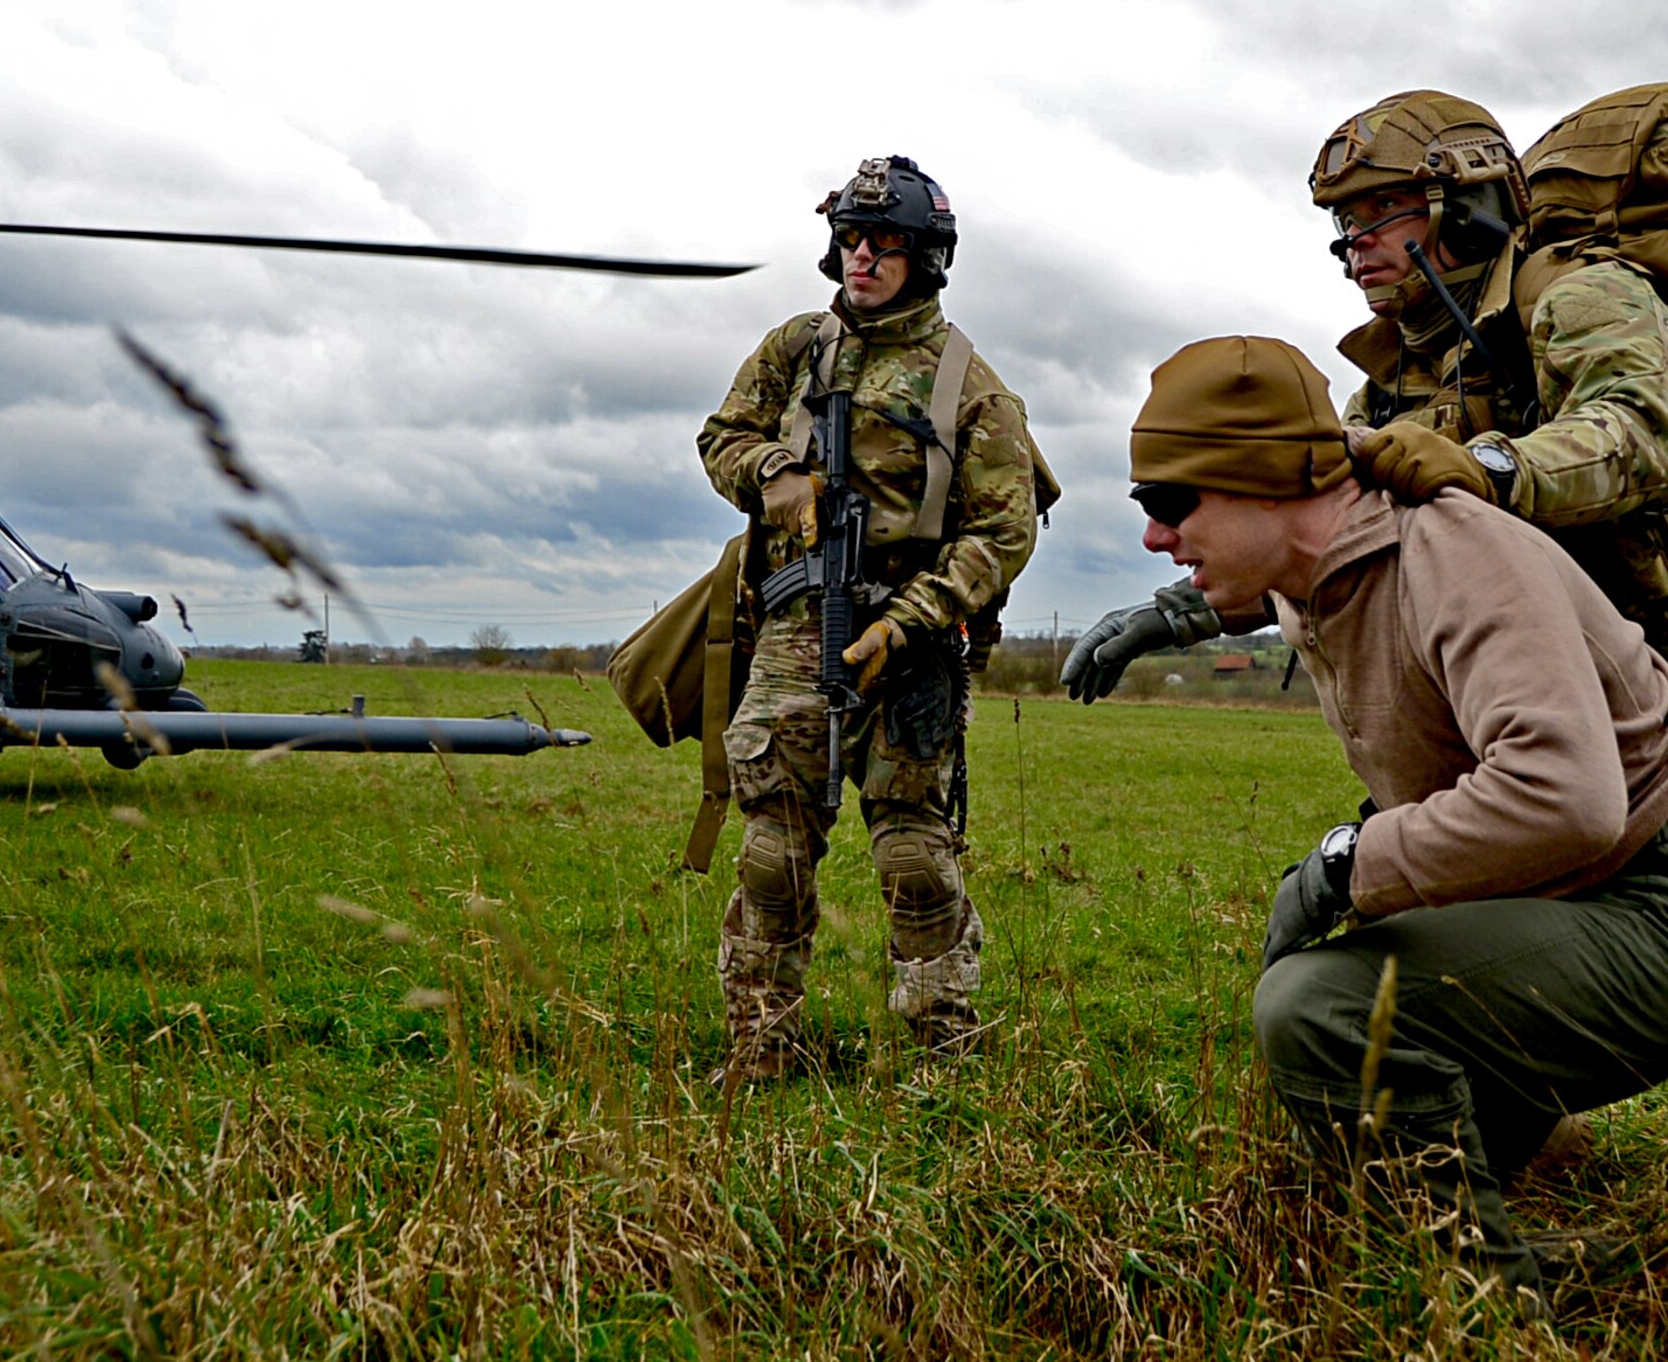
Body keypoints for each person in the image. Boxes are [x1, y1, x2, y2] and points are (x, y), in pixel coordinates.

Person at [1130, 333, 1668, 1304]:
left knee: (1320, 1005)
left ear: (1259, 479)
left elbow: (1565, 794)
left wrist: (1344, 861)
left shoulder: (1454, 551)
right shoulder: (1312, 578)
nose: (1153, 538)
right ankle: (1510, 1176)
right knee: (1349, 1173)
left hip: (1647, 887)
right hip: (1580, 887)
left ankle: (1480, 1303)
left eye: (1168, 504)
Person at [1063, 89, 1668, 698]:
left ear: (1468, 207)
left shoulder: (1580, 294)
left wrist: (1487, 467)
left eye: (1383, 207)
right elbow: (1325, 536)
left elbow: (1637, 429)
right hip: (1524, 672)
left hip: (1644, 661)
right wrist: (1179, 612)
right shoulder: (1388, 378)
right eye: (1345, 221)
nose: (1357, 240)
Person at [696, 156, 1054, 1081]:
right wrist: (773, 476)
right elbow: (721, 436)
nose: (863, 257)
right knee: (773, 843)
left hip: (913, 640)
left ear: (926, 256)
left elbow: (1005, 530)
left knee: (912, 854)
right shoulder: (794, 349)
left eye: (885, 242)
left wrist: (912, 620)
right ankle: (760, 1045)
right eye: (851, 240)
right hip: (793, 625)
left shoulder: (973, 386)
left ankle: (941, 1050)